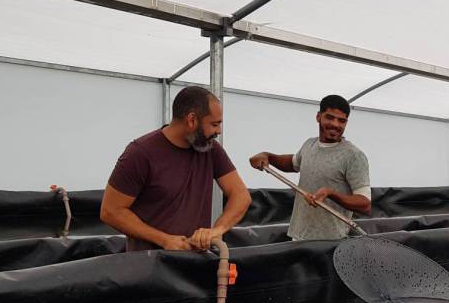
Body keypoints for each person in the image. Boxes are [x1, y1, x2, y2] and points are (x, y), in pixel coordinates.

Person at [101, 86, 251, 252]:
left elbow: (241, 195)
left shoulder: (211, 149)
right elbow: (111, 211)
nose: (219, 131)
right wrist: (164, 240)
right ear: (192, 120)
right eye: (214, 124)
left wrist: (216, 231)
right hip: (148, 267)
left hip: (195, 264)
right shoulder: (140, 153)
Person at [248, 95, 371, 241]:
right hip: (298, 236)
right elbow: (293, 163)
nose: (336, 124)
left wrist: (331, 194)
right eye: (330, 118)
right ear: (318, 117)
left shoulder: (354, 156)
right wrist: (267, 156)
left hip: (330, 242)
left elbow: (365, 204)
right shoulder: (309, 145)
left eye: (341, 120)